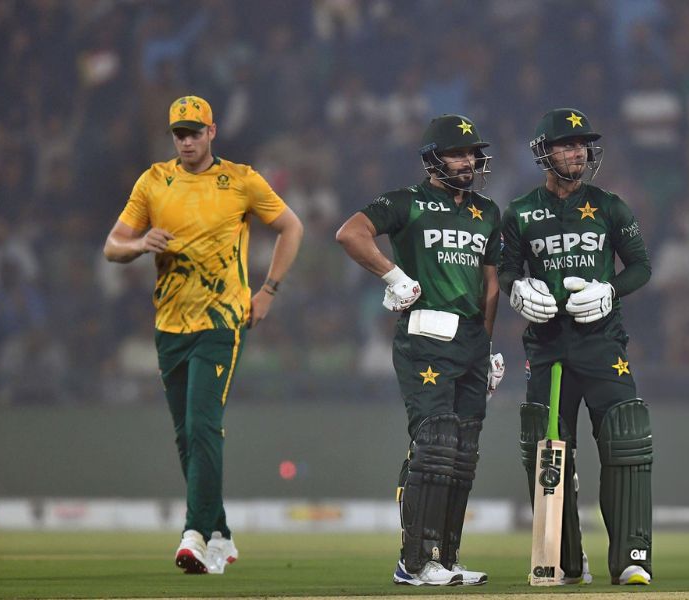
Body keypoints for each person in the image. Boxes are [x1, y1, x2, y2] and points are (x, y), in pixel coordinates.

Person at [103, 96, 304, 574]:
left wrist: (268, 291)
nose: (187, 141)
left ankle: (193, 534)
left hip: (221, 321)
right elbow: (112, 246)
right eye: (179, 134)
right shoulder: (153, 181)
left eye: (194, 132)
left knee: (202, 427)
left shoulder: (241, 180)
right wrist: (140, 244)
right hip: (169, 325)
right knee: (186, 437)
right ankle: (221, 535)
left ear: (212, 131)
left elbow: (291, 227)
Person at [335, 114, 504, 586]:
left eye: (471, 153)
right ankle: (414, 563)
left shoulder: (487, 212)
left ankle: (446, 558)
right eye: (456, 153)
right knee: (435, 445)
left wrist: (488, 348)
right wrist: (393, 275)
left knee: (463, 453)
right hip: (426, 334)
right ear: (433, 159)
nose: (467, 161)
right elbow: (350, 233)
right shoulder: (406, 202)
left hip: (472, 341)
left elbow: (491, 286)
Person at [498, 108, 653, 585]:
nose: (579, 152)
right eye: (567, 144)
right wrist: (517, 289)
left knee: (625, 440)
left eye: (583, 144)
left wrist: (610, 290)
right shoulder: (520, 212)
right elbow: (505, 271)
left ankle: (631, 558)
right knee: (547, 451)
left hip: (603, 343)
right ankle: (565, 560)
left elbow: (641, 267)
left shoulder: (609, 206)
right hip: (547, 348)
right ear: (544, 152)